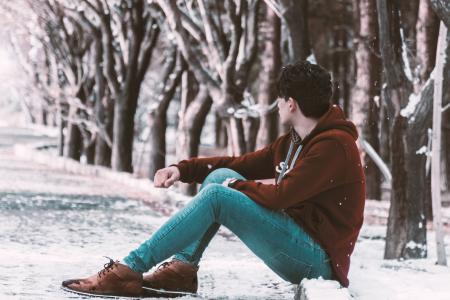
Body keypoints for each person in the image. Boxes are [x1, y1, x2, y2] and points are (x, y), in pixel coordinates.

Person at [62, 61, 365, 297]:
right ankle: (181, 270)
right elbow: (238, 165)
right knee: (221, 176)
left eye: (280, 99)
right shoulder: (296, 140)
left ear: (291, 104)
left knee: (220, 193)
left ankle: (129, 269)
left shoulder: (333, 146)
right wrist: (183, 169)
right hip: (299, 241)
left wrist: (232, 188)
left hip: (318, 262)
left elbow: (281, 196)